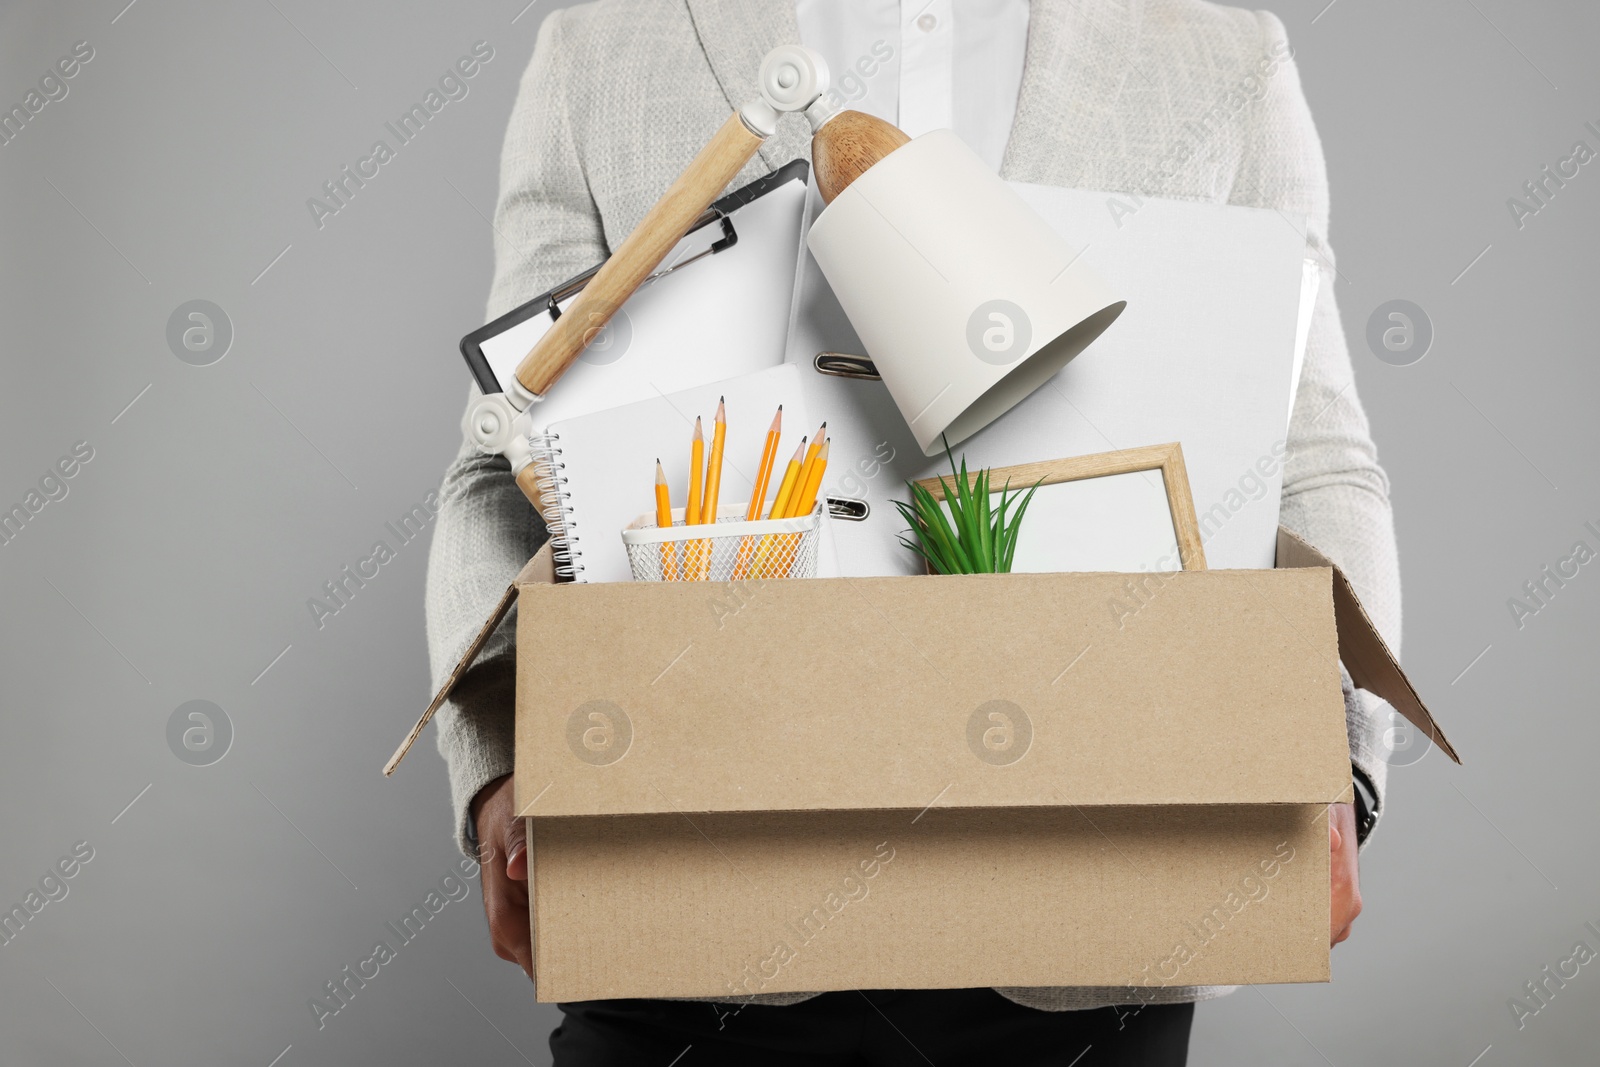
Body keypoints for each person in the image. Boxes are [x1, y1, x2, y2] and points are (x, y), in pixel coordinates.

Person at [425, 1, 1390, 1062]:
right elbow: (498, 457)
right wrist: (499, 772)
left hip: (1092, 895)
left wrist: (1333, 760)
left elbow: (1309, 451)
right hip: (689, 884)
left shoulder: (1215, 52)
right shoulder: (606, 44)